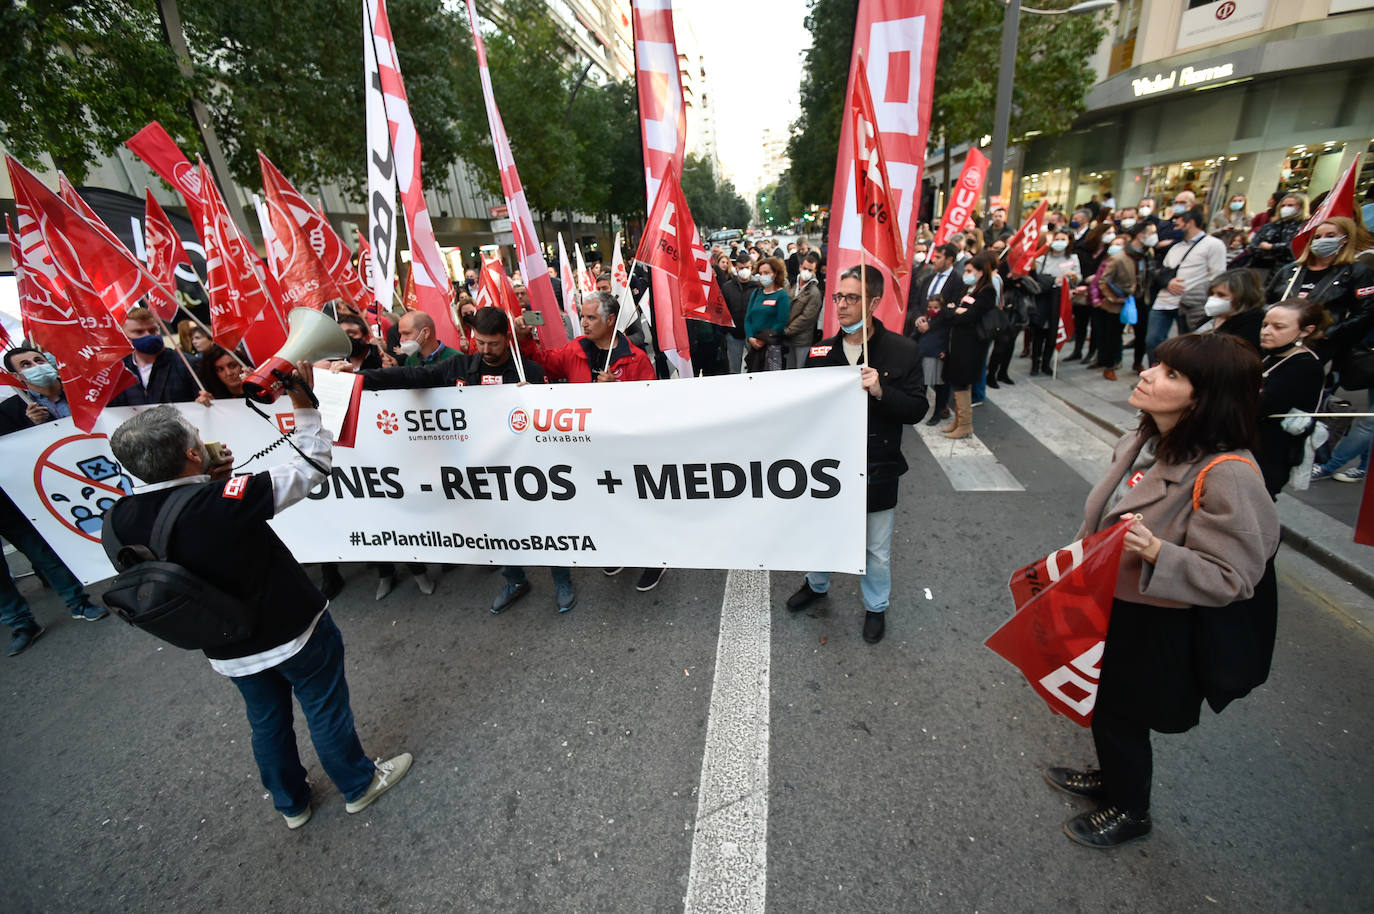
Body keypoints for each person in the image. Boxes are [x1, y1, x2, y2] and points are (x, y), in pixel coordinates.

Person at [106, 371, 411, 828]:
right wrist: (304, 405)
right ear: (192, 454)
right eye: (196, 438)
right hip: (293, 631)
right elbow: (310, 466)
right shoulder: (219, 500)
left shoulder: (118, 520)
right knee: (324, 706)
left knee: (267, 721)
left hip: (226, 647)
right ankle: (358, 784)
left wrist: (207, 482)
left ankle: (292, 804)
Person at [1045, 332, 1279, 848]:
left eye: (1171, 374)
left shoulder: (1229, 474)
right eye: (1156, 364)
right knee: (1106, 704)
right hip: (1111, 601)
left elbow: (1234, 576)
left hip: (1159, 619)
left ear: (1203, 399)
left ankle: (1131, 810)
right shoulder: (1145, 441)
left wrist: (1157, 552)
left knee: (1123, 712)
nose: (1148, 375)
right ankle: (1113, 778)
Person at [785, 266, 927, 643]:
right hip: (827, 470)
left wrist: (881, 391)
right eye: (838, 297)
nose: (842, 305)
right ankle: (816, 584)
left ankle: (875, 606)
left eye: (852, 298)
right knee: (821, 531)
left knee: (875, 549)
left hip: (877, 467)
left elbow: (917, 409)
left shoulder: (902, 351)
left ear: (874, 303)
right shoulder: (820, 352)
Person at [516, 292, 662, 595]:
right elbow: (544, 364)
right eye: (583, 316)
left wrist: (618, 388)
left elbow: (650, 405)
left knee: (637, 505)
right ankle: (620, 550)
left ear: (610, 320)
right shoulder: (576, 349)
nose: (583, 322)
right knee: (606, 503)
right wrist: (526, 339)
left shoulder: (635, 358)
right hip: (589, 449)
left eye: (591, 317)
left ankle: (655, 559)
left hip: (626, 449)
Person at [0, 347, 111, 655]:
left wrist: (37, 426)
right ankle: (21, 623)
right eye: (26, 364)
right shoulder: (11, 408)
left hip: (20, 499)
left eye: (38, 360)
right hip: (21, 498)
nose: (36, 366)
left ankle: (79, 602)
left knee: (43, 554)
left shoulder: (70, 393)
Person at [1265, 217, 1374, 371]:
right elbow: (1266, 299)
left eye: (1330, 236)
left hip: (1323, 346)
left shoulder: (1357, 272)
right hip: (1278, 342)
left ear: (1345, 239)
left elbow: (1366, 312)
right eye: (1317, 237)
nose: (1322, 240)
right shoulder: (1290, 270)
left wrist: (1328, 332)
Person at [1254, 300, 1327, 496]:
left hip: (1269, 455)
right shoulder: (1271, 355)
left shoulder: (1305, 365)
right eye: (1265, 325)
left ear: (1306, 331)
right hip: (1249, 445)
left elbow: (1262, 406)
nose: (1266, 331)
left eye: (1278, 327)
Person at [1144, 207, 1227, 364]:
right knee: (1153, 340)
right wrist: (1168, 282)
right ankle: (1156, 372)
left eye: (1177, 224)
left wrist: (1200, 295)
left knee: (1188, 346)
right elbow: (1161, 272)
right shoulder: (1176, 247)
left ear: (1190, 223)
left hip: (1191, 304)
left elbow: (1217, 277)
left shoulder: (1214, 245)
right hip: (1164, 301)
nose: (1173, 229)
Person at [929, 251, 998, 439]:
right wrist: (956, 312)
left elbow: (970, 317)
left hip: (971, 346)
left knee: (961, 382)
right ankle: (959, 421)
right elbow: (950, 312)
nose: (965, 274)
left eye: (969, 271)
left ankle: (965, 425)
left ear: (981, 272)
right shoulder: (969, 289)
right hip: (957, 343)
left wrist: (956, 312)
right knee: (958, 382)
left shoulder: (987, 291)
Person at [109, 306, 206, 406]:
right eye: (139, 332)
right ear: (124, 336)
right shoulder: (117, 371)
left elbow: (204, 399)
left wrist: (205, 401)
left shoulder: (188, 364)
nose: (148, 335)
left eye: (153, 330)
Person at [1085, 227, 1138, 380]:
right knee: (1101, 334)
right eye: (1114, 244)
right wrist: (1097, 299)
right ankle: (1103, 359)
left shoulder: (1128, 261)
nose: (1115, 247)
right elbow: (1099, 281)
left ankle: (1113, 362)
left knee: (1114, 335)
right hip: (1101, 302)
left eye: (1119, 244)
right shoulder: (1106, 260)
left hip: (1117, 303)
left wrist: (1114, 297)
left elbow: (1132, 282)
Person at [1028, 230, 1082, 376]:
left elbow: (1078, 278)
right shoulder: (1043, 258)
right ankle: (1035, 363)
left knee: (1053, 333)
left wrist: (1073, 277)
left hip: (1061, 299)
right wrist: (1053, 280)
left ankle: (1046, 363)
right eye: (1057, 239)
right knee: (1039, 332)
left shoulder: (1073, 258)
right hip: (1045, 298)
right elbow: (1035, 277)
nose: (1059, 242)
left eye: (1063, 239)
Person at [1197, 268, 1266, 351]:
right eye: (1212, 293)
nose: (1213, 298)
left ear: (1241, 297)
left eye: (1221, 295)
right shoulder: (1213, 315)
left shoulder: (1253, 322)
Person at [743, 257, 790, 372]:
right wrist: (750, 337)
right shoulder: (756, 292)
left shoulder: (782, 295)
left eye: (766, 273)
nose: (763, 276)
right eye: (761, 273)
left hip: (771, 345)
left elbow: (781, 321)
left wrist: (764, 339)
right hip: (753, 344)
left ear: (775, 274)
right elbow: (748, 318)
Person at [1247, 192, 1307, 280]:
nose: (1285, 208)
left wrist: (1272, 247)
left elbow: (1294, 247)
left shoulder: (1304, 227)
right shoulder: (1270, 226)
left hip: (1287, 271)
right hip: (1261, 268)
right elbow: (1253, 246)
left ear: (1301, 207)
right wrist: (1273, 250)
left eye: (1290, 205)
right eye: (1283, 205)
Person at [716, 250, 753, 374]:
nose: (744, 270)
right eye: (741, 268)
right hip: (733, 334)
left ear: (752, 268)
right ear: (736, 268)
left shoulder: (757, 286)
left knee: (754, 366)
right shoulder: (727, 287)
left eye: (747, 267)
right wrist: (726, 331)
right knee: (734, 368)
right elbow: (722, 310)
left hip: (752, 335)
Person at [785, 251, 823, 369]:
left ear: (815, 271)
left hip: (802, 340)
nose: (806, 272)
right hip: (787, 339)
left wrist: (787, 330)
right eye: (805, 268)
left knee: (800, 370)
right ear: (800, 267)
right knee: (788, 370)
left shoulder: (814, 292)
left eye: (810, 270)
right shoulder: (791, 285)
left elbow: (807, 317)